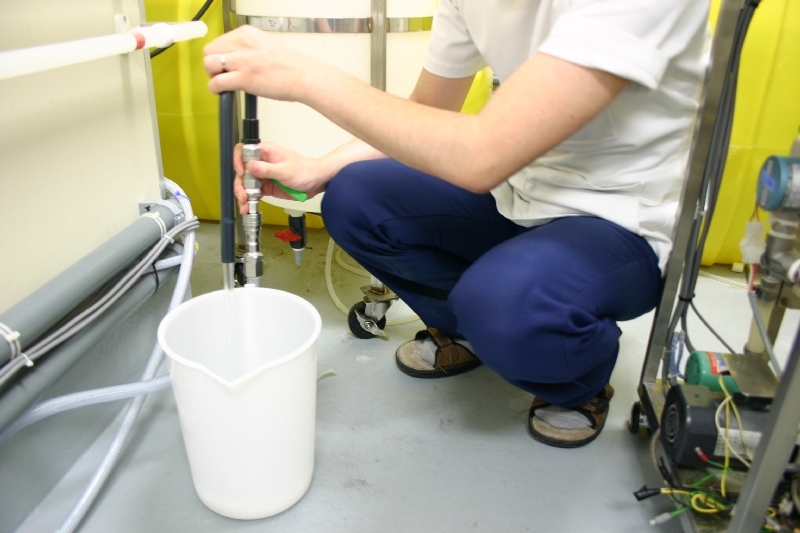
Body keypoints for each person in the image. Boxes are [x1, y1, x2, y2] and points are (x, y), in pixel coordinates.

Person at [203, 0, 710, 448]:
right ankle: (472, 330)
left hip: (619, 221)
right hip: (516, 190)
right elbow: (427, 111)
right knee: (354, 197)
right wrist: (320, 168)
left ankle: (579, 378)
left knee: (504, 301)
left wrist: (305, 77)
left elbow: (480, 154)